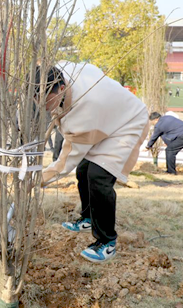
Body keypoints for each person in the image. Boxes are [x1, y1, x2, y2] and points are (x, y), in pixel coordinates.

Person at [41, 61, 149, 263]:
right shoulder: (59, 70)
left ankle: (106, 242)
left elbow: (65, 161)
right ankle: (88, 218)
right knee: (83, 170)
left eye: (45, 100)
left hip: (128, 122)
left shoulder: (86, 107)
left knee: (99, 176)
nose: (41, 105)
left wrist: (38, 179)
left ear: (61, 89)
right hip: (107, 117)